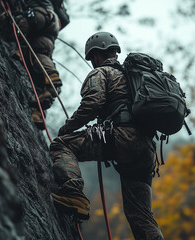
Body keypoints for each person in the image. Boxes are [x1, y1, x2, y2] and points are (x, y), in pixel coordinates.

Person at [50, 32, 164, 240]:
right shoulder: (134, 78)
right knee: (141, 216)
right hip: (147, 150)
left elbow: (92, 103)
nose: (93, 62)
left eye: (92, 58)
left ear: (96, 55)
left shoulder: (101, 73)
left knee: (61, 145)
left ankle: (73, 193)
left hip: (121, 138)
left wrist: (68, 127)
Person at [0, 0, 68, 128]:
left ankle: (51, 76)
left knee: (17, 24)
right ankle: (38, 112)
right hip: (50, 28)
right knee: (40, 54)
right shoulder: (59, 7)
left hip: (38, 13)